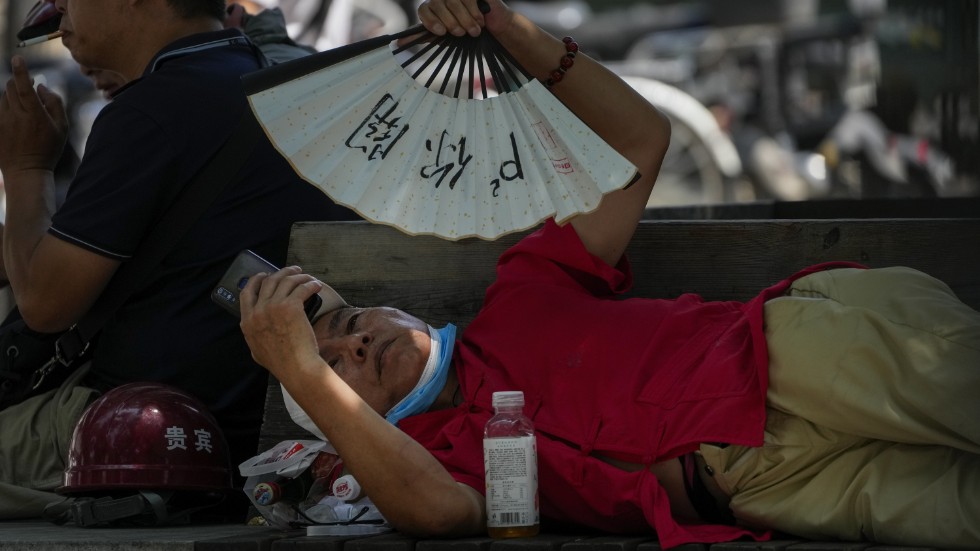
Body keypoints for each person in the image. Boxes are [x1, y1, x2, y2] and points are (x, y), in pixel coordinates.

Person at [239, 1, 980, 549]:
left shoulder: (521, 292)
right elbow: (436, 515)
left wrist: (510, 32)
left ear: (396, 306)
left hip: (789, 355)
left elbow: (640, 140)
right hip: (766, 491)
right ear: (352, 417)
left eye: (350, 325)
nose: (358, 347)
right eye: (338, 372)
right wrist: (302, 373)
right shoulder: (439, 463)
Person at [0, 0, 360, 520]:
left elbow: (43, 304)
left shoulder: (151, 111)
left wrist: (26, 165)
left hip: (138, 437)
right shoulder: (275, 85)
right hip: (246, 435)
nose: (61, 22)